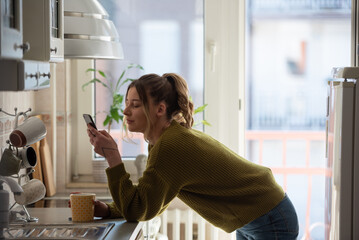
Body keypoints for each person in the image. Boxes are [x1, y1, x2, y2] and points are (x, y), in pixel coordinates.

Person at [86, 73, 299, 240]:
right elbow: (153, 200)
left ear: (160, 109)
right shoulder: (163, 142)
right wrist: (108, 210)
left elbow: (139, 209)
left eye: (135, 105)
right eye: (127, 104)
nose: (125, 112)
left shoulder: (170, 146)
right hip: (258, 213)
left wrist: (112, 156)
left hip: (269, 215)